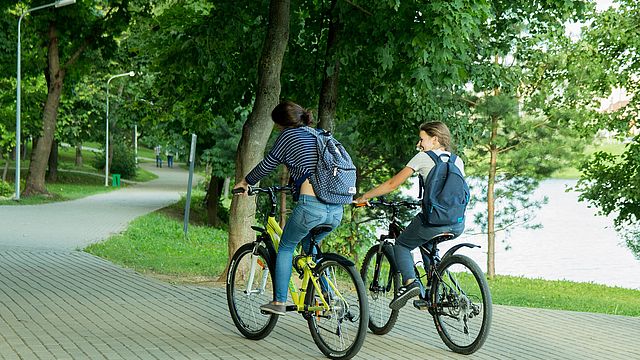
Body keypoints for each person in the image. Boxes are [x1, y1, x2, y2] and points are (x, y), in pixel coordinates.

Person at [232, 101, 344, 315]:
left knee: (285, 248)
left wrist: (246, 182)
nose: (277, 129)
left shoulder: (288, 136)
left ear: (282, 123)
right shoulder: (318, 134)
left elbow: (268, 163)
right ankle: (327, 296)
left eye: (277, 125)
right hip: (337, 209)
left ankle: (279, 302)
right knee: (310, 247)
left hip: (311, 207)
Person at [354, 121, 466, 310]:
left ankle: (411, 283)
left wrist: (364, 196)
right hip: (457, 223)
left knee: (403, 244)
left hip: (433, 222)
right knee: (426, 242)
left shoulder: (422, 158)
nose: (419, 143)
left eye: (422, 139)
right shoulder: (458, 160)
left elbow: (392, 184)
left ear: (435, 139)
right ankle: (432, 293)